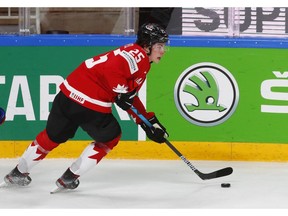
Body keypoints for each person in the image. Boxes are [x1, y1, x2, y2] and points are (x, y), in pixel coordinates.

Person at [3, 23, 169, 190]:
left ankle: (18, 173)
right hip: (90, 104)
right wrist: (119, 90)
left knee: (52, 136)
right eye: (159, 46)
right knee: (111, 137)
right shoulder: (139, 57)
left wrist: (146, 121)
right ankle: (69, 177)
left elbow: (129, 96)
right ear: (147, 46)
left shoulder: (131, 51)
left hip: (67, 95)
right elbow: (116, 76)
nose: (163, 51)